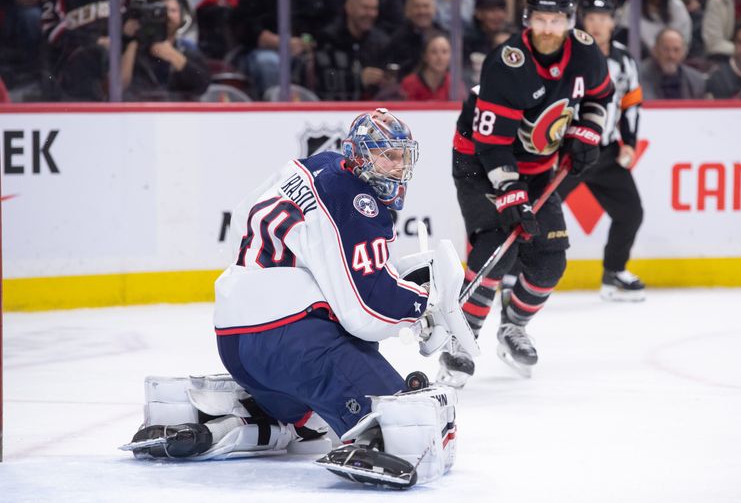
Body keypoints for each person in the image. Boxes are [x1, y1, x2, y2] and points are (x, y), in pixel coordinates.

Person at [123, 109, 477, 488]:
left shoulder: (318, 164)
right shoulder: (359, 203)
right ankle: (375, 437)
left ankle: (237, 419)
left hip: (235, 340)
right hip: (296, 343)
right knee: (413, 417)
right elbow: (365, 311)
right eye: (385, 155)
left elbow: (248, 216)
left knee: (309, 420)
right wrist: (420, 308)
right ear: (359, 153)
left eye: (401, 156)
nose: (396, 166)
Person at [441, 0, 613, 386]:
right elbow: (492, 144)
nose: (549, 28)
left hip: (538, 168)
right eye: (541, 18)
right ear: (527, 18)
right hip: (480, 163)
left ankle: (513, 327)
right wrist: (512, 197)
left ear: (570, 19)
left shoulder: (586, 52)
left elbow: (601, 97)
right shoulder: (506, 63)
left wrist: (587, 133)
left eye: (557, 19)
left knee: (549, 262)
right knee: (495, 250)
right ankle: (461, 341)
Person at [557, 0, 646, 301]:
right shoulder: (569, 54)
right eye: (591, 18)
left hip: (606, 151)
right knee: (541, 211)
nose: (597, 24)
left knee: (631, 212)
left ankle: (614, 273)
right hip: (569, 151)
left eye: (603, 18)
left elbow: (632, 103)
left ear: (613, 21)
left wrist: (630, 143)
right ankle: (516, 275)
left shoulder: (624, 59)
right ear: (582, 20)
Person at [232, 0, 334, 98]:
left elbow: (330, 23)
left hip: (307, 48)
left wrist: (308, 43)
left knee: (327, 61)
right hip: (266, 50)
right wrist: (278, 42)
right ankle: (275, 108)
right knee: (268, 62)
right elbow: (244, 24)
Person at [121, 0, 211, 101]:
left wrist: (173, 56)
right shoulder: (131, 45)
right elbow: (120, 85)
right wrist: (132, 40)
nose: (167, 15)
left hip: (179, 112)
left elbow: (202, 85)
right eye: (160, 11)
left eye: (173, 10)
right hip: (139, 110)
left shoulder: (187, 48)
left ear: (182, 16)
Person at [313, 0, 390, 100]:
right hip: (335, 110)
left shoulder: (381, 41)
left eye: (374, 8)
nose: (371, 14)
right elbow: (326, 81)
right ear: (349, 8)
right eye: (365, 8)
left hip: (375, 108)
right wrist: (359, 80)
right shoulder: (328, 39)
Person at [615, 0, 693, 55]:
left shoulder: (676, 6)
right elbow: (624, 36)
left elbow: (684, 40)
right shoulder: (632, 7)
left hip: (673, 57)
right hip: (640, 58)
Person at [386, 0, 446, 80]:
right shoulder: (397, 40)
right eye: (416, 6)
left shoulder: (445, 37)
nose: (422, 11)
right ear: (407, 10)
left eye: (426, 6)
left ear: (434, 9)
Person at [640, 27, 707, 99]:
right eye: (666, 49)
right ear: (655, 50)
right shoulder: (638, 77)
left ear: (684, 52)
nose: (671, 56)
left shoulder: (695, 80)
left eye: (676, 50)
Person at [400, 32, 466, 101]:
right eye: (434, 52)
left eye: (444, 52)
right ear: (425, 56)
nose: (440, 57)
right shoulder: (409, 83)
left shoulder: (455, 84)